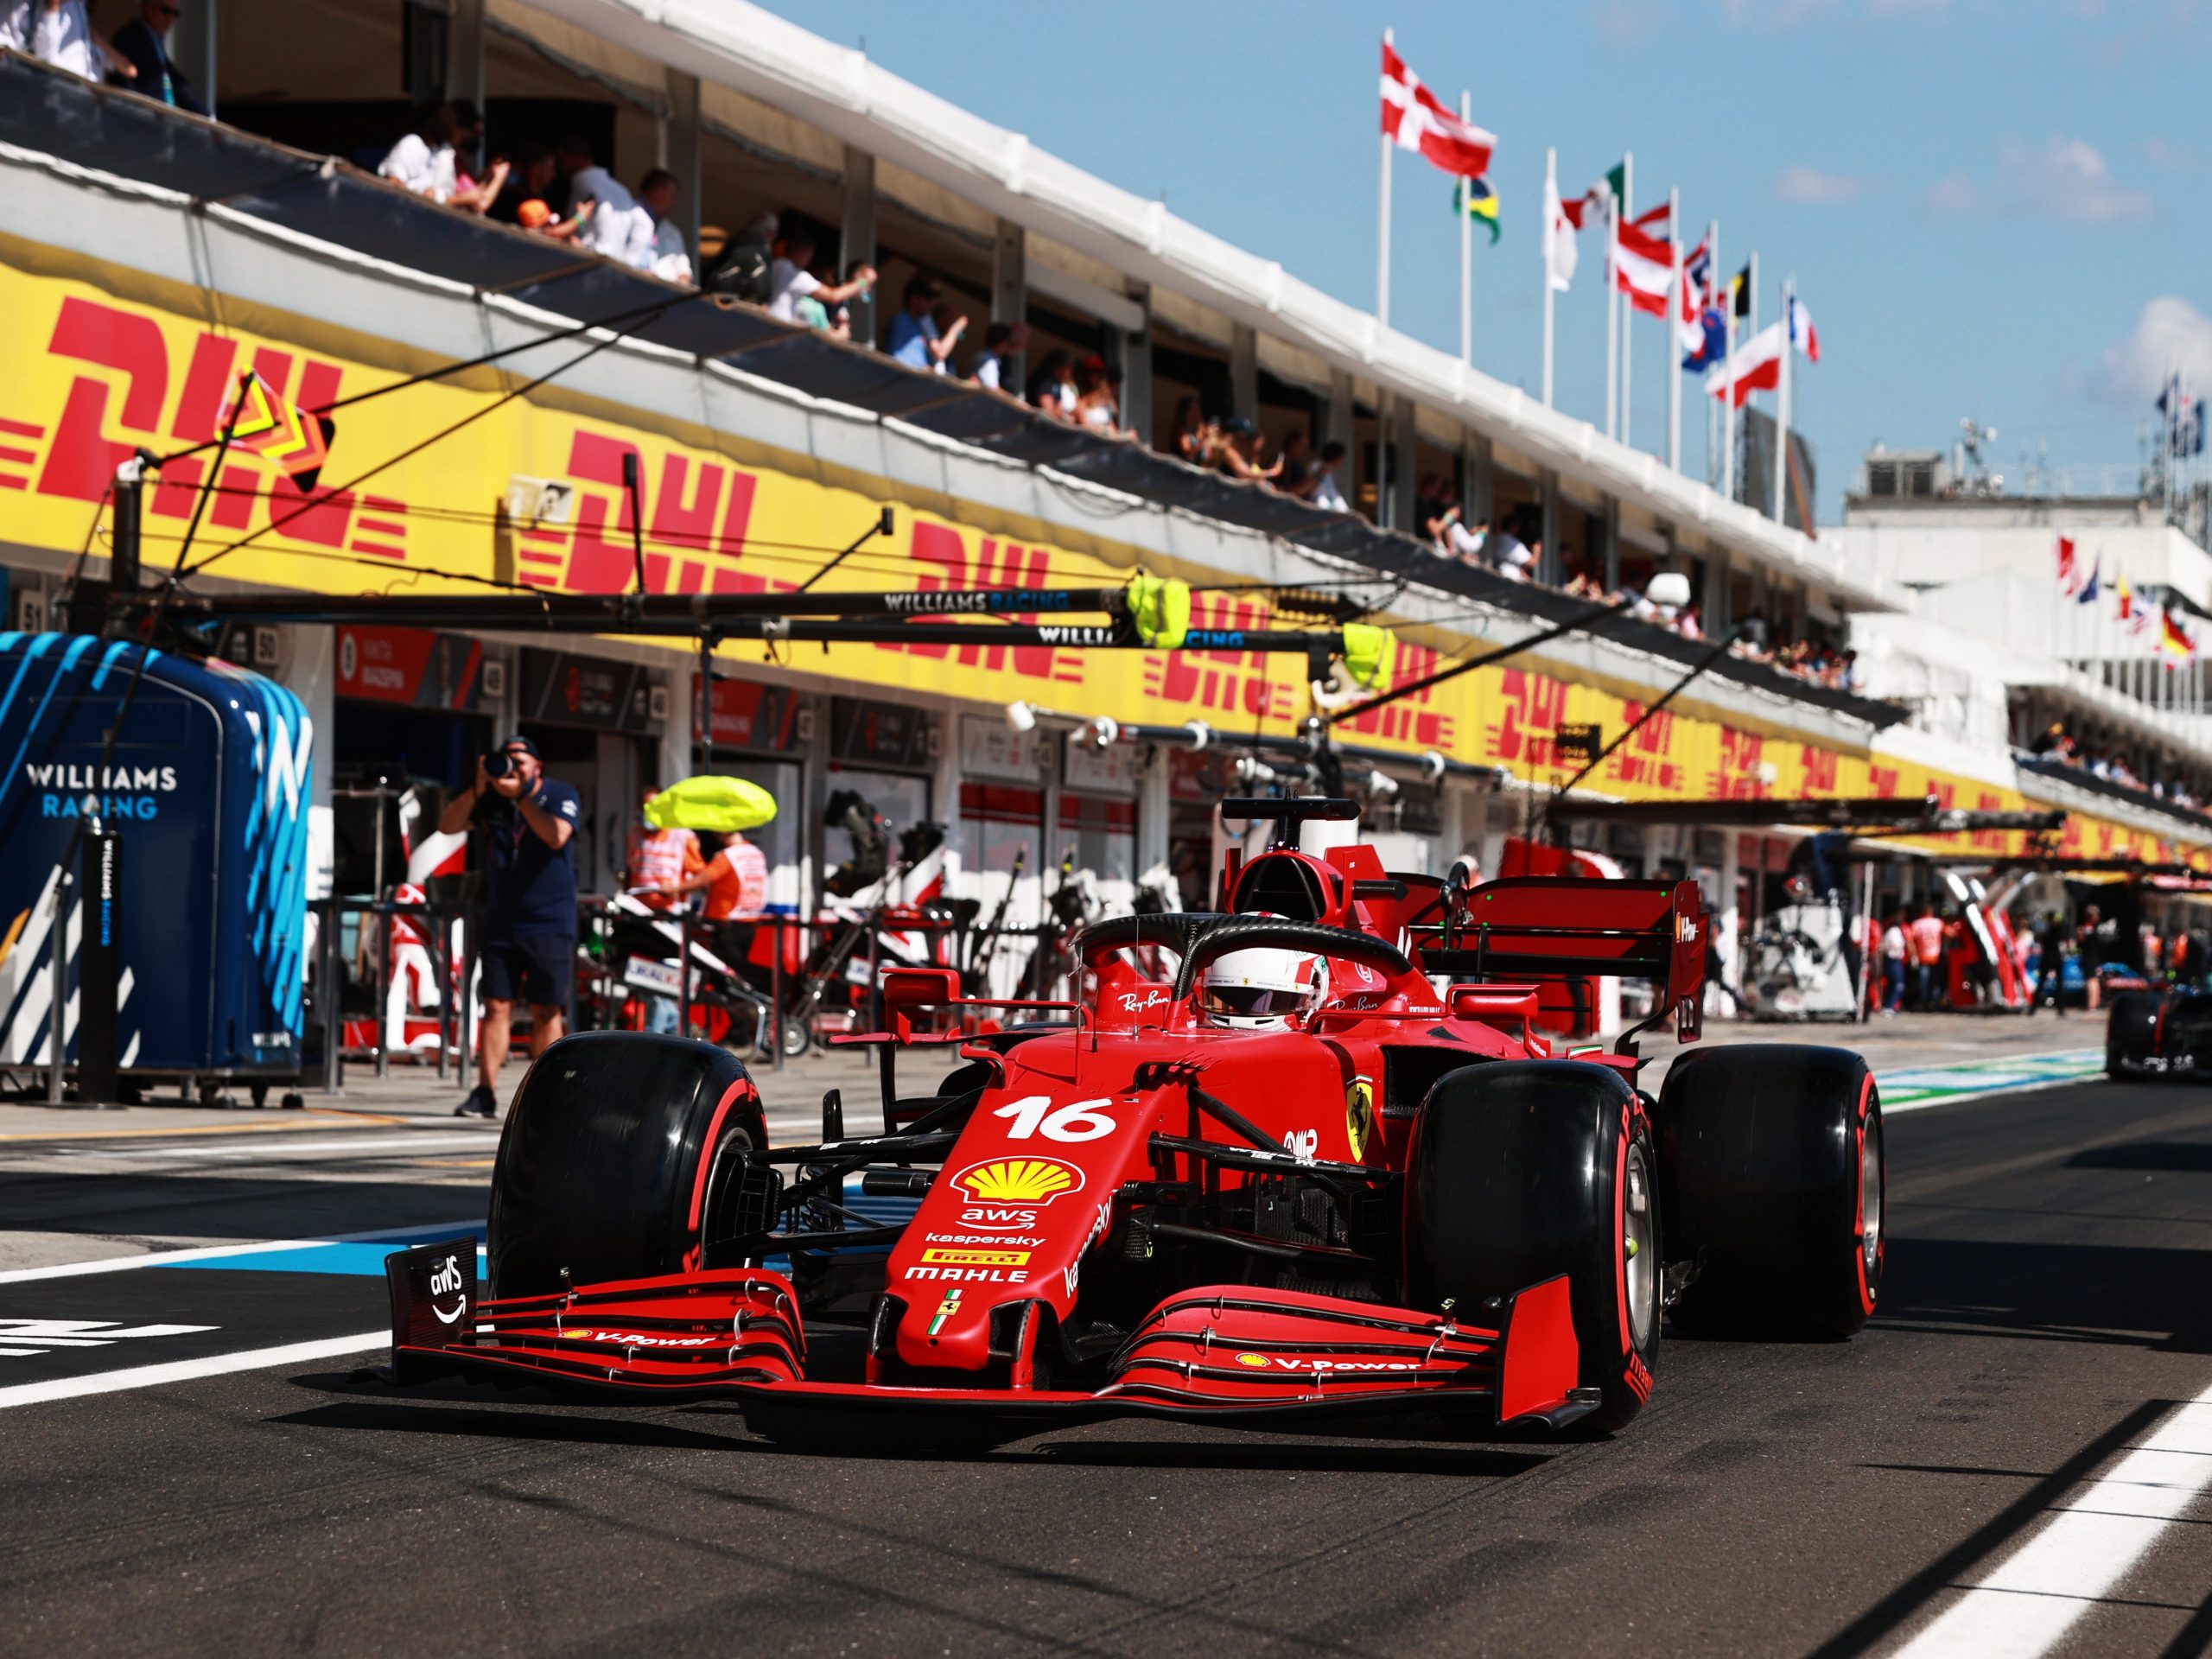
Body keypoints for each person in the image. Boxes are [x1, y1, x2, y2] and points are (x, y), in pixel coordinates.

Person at [440, 736, 582, 1118]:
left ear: (539, 766)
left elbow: (556, 835)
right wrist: (478, 786)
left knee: (545, 1009)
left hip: (548, 920)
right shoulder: (491, 799)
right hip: (502, 919)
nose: (514, 769)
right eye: (508, 761)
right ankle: (485, 1092)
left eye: (521, 762)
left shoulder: (559, 794)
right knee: (495, 1006)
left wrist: (520, 797)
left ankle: (550, 1095)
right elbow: (447, 825)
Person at [556, 134, 654, 267]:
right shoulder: (619, 189)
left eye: (562, 160)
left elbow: (578, 229)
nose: (560, 167)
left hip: (592, 267)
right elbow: (645, 224)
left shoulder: (584, 185)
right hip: (615, 269)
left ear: (576, 158)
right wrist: (629, 263)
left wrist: (591, 249)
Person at [1, 0, 133, 83]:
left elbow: (131, 70)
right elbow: (45, 57)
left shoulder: (78, 9)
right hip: (59, 98)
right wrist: (53, 7)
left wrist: (98, 40)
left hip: (85, 106)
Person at [111, 0, 202, 112]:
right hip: (140, 123)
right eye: (165, 11)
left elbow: (179, 85)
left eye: (175, 13)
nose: (170, 19)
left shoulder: (156, 42)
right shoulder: (130, 37)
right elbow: (122, 85)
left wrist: (209, 118)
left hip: (161, 123)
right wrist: (147, 112)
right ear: (149, 6)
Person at [379, 101, 459, 202]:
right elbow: (393, 182)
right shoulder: (412, 142)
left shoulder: (435, 151)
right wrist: (422, 194)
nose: (451, 127)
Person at [884, 273, 965, 372]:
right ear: (914, 298)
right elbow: (893, 360)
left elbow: (937, 352)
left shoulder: (924, 322)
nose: (933, 303)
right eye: (929, 297)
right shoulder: (901, 321)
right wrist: (956, 327)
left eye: (935, 297)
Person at [637, 167, 691, 283]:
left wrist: (682, 281)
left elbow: (684, 269)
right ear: (658, 191)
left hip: (666, 296)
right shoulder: (630, 216)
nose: (674, 202)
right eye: (672, 195)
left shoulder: (672, 231)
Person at [1908, 900, 1945, 1010]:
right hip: (1935, 957)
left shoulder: (1916, 924)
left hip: (1922, 957)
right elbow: (1949, 933)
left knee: (1923, 982)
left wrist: (1913, 954)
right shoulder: (1938, 922)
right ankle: (1933, 1002)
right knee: (1935, 982)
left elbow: (1909, 940)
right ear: (1931, 912)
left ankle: (1923, 1001)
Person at [970, 321, 1028, 391]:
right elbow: (993, 390)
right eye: (1009, 343)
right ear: (1002, 343)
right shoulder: (988, 360)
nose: (1008, 347)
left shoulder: (987, 358)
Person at [1879, 912, 1908, 1015]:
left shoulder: (1896, 931)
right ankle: (1888, 1007)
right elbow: (1893, 945)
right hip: (1892, 960)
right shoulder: (1893, 931)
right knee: (1897, 984)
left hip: (1895, 960)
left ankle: (1889, 1006)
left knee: (1894, 984)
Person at [1309, 440, 1351, 512]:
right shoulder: (1316, 466)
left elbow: (1333, 495)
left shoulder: (1328, 471)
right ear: (1336, 457)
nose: (1341, 462)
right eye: (1341, 458)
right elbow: (1316, 494)